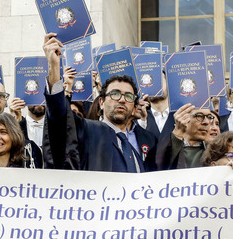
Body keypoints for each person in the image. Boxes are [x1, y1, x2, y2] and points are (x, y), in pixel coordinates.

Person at [43, 33, 157, 172]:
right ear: (101, 102)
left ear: (134, 107)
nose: (121, 99)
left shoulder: (136, 152)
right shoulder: (88, 131)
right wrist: (54, 67)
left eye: (128, 96)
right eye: (115, 94)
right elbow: (59, 118)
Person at [156, 104, 211, 170]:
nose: (206, 122)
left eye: (209, 117)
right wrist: (177, 135)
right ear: (181, 118)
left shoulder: (215, 150)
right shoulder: (164, 148)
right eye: (199, 116)